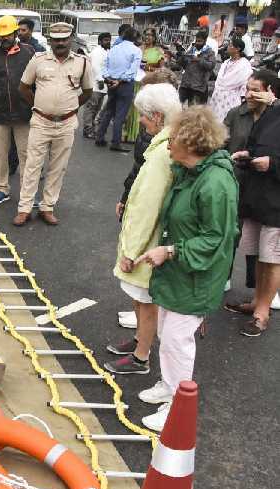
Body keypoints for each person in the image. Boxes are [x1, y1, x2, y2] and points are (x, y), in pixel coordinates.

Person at [133, 106, 237, 431]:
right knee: (166, 332)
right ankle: (168, 386)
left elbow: (216, 239)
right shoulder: (192, 172)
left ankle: (178, 407)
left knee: (178, 340)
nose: (167, 144)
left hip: (196, 276)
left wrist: (171, 250)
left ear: (191, 142)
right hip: (180, 271)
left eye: (174, 139)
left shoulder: (215, 183)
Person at [105, 83, 182, 376]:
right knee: (139, 295)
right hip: (148, 238)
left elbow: (149, 205)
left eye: (145, 117)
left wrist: (131, 251)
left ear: (159, 116)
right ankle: (140, 340)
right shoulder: (164, 144)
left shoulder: (163, 153)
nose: (142, 122)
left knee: (145, 297)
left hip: (147, 241)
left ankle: (141, 357)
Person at [15, 22, 93, 226]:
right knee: (32, 166)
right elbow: (23, 88)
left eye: (64, 39)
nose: (60, 43)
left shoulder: (82, 62)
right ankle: (24, 208)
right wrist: (39, 107)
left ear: (71, 39)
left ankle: (47, 207)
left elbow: (87, 92)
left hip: (66, 124)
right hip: (41, 122)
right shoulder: (38, 60)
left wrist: (71, 109)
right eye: (56, 39)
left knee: (58, 168)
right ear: (50, 40)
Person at [227, 72, 280, 336]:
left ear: (271, 90)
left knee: (272, 259)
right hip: (255, 197)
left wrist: (272, 164)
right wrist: (247, 155)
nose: (249, 94)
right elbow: (256, 145)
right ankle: (257, 302)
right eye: (247, 89)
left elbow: (273, 157)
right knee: (257, 254)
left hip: (275, 205)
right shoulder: (266, 114)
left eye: (255, 90)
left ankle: (262, 313)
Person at [0, 14, 35, 204]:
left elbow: (38, 82)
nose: (4, 38)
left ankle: (28, 194)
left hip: (24, 114)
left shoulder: (29, 52)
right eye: (1, 35)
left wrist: (38, 107)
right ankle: (2, 189)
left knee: (26, 155)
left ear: (16, 33)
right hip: (0, 114)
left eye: (7, 35)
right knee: (0, 155)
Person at [95, 28, 141, 153]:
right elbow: (132, 71)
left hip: (111, 82)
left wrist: (109, 79)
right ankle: (116, 142)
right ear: (134, 38)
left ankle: (99, 136)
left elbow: (105, 66)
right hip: (124, 84)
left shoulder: (114, 48)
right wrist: (119, 81)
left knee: (109, 111)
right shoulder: (136, 50)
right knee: (120, 115)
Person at [209, 38, 253, 122]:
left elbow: (245, 84)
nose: (228, 47)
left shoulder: (244, 65)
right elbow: (219, 80)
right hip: (218, 97)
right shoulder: (226, 62)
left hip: (232, 99)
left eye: (230, 45)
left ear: (238, 49)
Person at [172, 29, 216, 106]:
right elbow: (182, 64)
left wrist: (199, 60)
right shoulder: (191, 50)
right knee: (178, 106)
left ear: (205, 41)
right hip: (186, 84)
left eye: (200, 41)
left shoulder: (210, 52)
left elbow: (211, 65)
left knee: (193, 111)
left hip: (198, 88)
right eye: (196, 41)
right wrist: (179, 55)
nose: (197, 43)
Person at [83, 32, 112, 139]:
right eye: (105, 40)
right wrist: (100, 80)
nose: (108, 42)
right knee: (91, 108)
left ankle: (91, 129)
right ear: (100, 41)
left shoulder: (107, 51)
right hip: (96, 85)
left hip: (102, 86)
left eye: (109, 40)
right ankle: (87, 130)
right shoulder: (97, 52)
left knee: (96, 108)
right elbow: (95, 67)